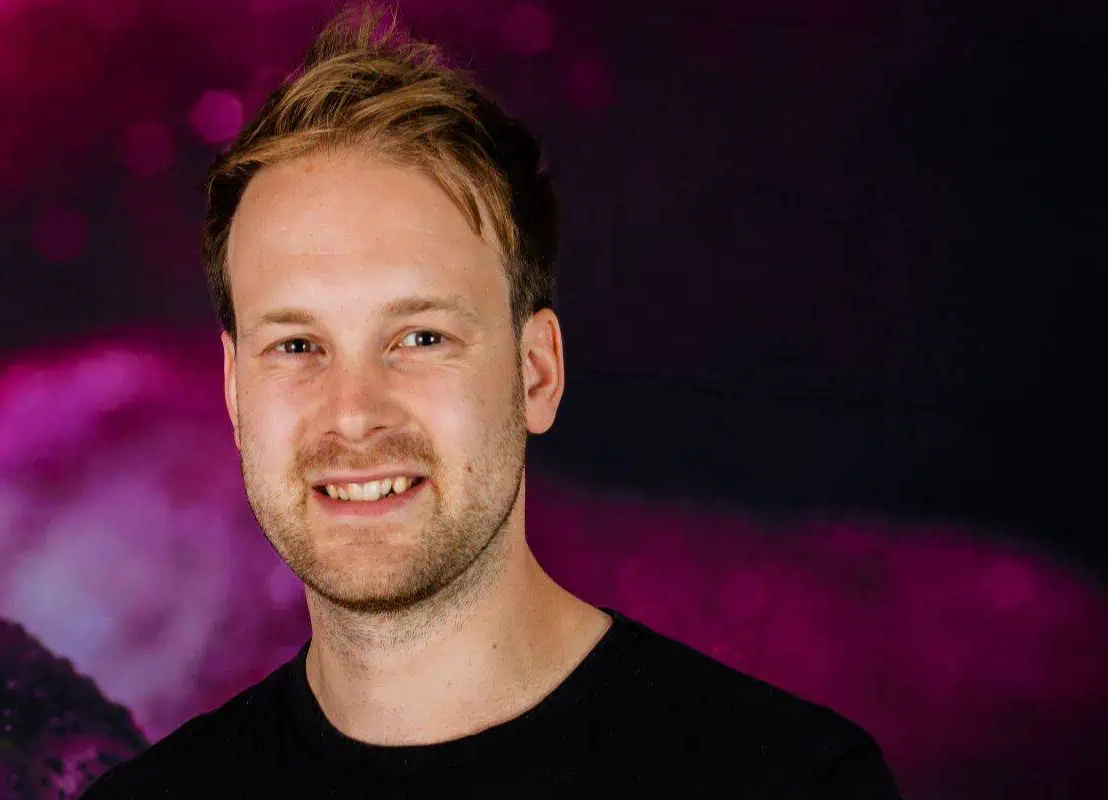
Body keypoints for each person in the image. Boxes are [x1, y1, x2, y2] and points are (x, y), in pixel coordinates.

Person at [83, 4, 901, 797]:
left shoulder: (789, 780)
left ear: (536, 373)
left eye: (420, 337)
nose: (354, 413)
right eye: (297, 346)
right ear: (235, 391)